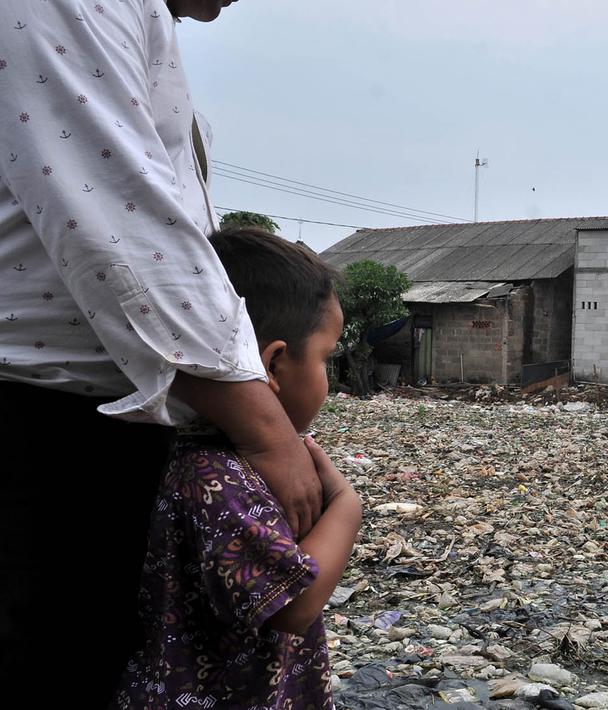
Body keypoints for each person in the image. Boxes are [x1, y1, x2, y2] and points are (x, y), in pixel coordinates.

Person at [0, 1, 323, 703]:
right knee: (55, 655)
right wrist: (269, 433)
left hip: (102, 417)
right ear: (273, 358)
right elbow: (116, 220)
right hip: (48, 422)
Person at [112, 227, 362, 709]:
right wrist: (347, 507)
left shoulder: (224, 457)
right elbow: (293, 605)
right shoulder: (217, 474)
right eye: (327, 358)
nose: (328, 378)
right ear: (274, 363)